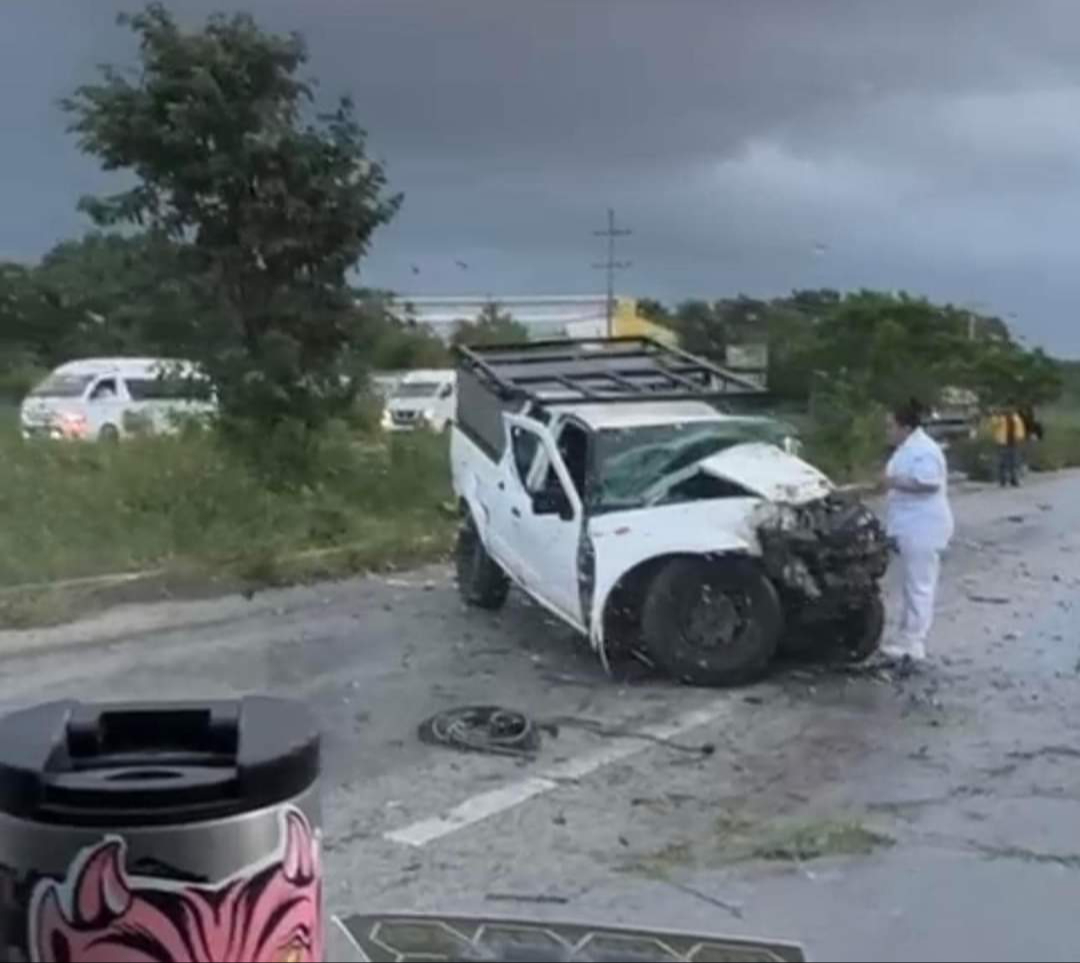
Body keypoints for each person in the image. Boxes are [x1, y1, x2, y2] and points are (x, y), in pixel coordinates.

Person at [883, 399, 955, 663]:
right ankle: (906, 638)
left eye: (890, 426)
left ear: (905, 426)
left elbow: (929, 482)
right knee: (912, 584)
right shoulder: (907, 448)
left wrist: (892, 482)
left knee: (919, 585)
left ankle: (914, 643)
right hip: (910, 525)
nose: (887, 431)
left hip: (923, 526)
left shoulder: (923, 450)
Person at [990, 406, 1026, 488]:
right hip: (1002, 442)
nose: (1009, 410)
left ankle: (1014, 479)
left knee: (1014, 461)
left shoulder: (1016, 418)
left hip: (1013, 442)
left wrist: (1019, 438)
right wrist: (997, 415)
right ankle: (1002, 480)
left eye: (1011, 408)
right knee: (1002, 462)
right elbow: (993, 424)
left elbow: (1020, 429)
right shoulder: (999, 418)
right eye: (1007, 408)